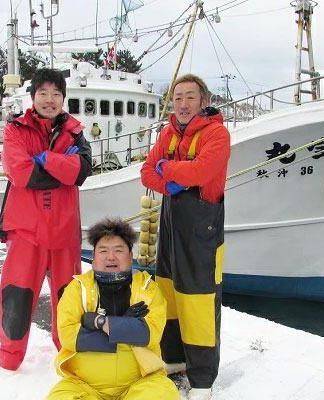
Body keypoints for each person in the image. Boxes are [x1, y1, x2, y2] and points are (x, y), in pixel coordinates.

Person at [141, 74, 231, 400]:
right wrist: (169, 180)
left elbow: (202, 172)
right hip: (170, 230)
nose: (182, 104)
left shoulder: (217, 134)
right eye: (177, 97)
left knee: (199, 304)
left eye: (190, 97)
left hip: (201, 232)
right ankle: (175, 360)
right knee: (169, 295)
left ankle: (203, 379)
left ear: (203, 102)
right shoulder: (168, 133)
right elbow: (146, 173)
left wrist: (168, 167)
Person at [0, 68, 92, 371]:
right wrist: (65, 163)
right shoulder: (15, 129)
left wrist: (47, 159)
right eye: (43, 93)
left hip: (64, 232)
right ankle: (9, 359)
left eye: (56, 94)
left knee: (69, 299)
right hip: (27, 231)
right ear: (33, 96)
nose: (50, 100)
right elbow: (21, 172)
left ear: (63, 98)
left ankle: (69, 354)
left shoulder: (75, 130)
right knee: (17, 295)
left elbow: (82, 172)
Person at [46, 218, 180, 400]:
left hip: (140, 381)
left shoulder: (148, 288)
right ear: (93, 257)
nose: (111, 257)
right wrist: (126, 326)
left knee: (163, 395)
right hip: (83, 384)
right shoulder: (77, 289)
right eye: (103, 251)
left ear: (130, 255)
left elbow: (149, 334)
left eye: (118, 250)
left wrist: (97, 321)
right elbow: (70, 337)